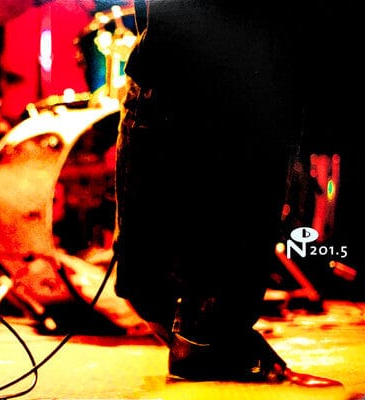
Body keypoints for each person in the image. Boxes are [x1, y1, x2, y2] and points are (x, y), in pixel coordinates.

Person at [110, 0, 344, 385]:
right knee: (161, 283)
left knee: (156, 281)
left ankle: (202, 333)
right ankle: (205, 333)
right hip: (219, 79)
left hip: (190, 76)